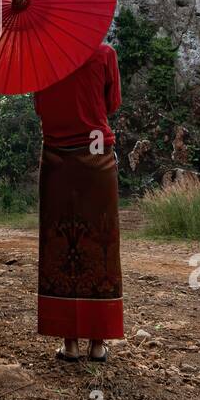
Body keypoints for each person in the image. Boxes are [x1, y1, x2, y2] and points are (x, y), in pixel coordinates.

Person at [33, 41, 123, 364]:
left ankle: (69, 343)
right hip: (97, 158)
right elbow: (112, 104)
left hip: (57, 160)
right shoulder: (105, 54)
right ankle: (97, 344)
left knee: (61, 244)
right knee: (99, 245)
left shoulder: (45, 59)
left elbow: (41, 108)